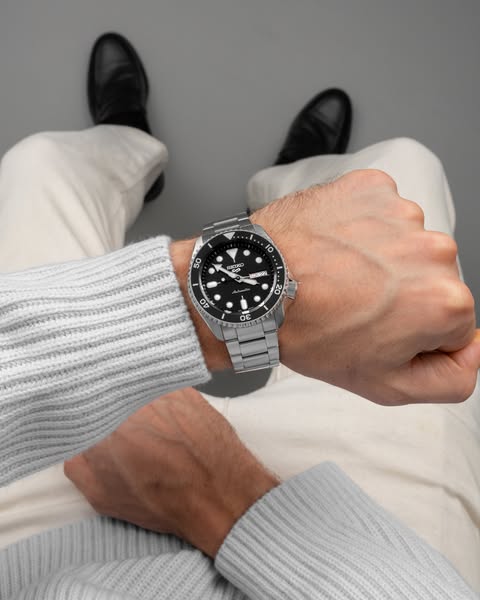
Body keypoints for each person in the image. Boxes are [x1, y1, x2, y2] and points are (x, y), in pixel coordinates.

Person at [0, 31, 478, 599]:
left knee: (41, 160)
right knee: (405, 162)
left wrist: (187, 302)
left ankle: (126, 141)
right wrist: (221, 494)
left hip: (42, 541)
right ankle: (296, 182)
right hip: (357, 548)